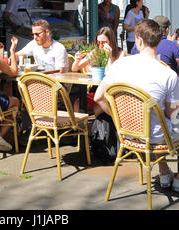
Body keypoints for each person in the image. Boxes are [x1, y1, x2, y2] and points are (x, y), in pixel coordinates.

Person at [94, 19, 179, 190]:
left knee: (157, 120)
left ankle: (163, 172)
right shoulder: (169, 75)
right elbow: (173, 115)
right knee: (165, 121)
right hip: (154, 136)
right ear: (159, 40)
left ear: (139, 40)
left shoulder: (119, 65)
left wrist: (117, 118)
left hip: (127, 134)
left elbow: (98, 97)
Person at [71, 27, 124, 114]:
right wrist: (77, 60)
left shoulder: (120, 53)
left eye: (104, 42)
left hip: (112, 92)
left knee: (97, 108)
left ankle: (98, 127)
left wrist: (110, 57)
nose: (101, 45)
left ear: (111, 42)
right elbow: (75, 68)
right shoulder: (96, 52)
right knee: (78, 103)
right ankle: (81, 127)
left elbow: (114, 75)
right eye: (98, 42)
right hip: (96, 89)